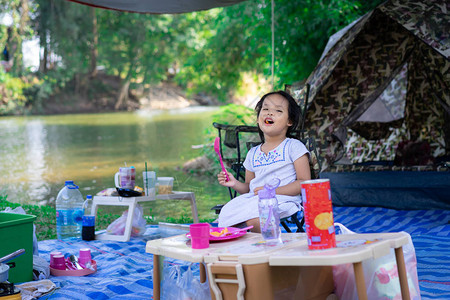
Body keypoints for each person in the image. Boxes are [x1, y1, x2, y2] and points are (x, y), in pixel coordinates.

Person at [217, 90, 311, 232]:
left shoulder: (293, 146)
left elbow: (304, 182)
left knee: (256, 220)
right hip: (255, 200)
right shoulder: (253, 153)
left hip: (283, 199)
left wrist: (272, 192)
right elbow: (249, 188)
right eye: (265, 109)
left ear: (289, 121)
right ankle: (242, 250)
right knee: (228, 212)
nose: (269, 113)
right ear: (258, 118)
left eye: (278, 110)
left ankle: (269, 245)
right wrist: (234, 183)